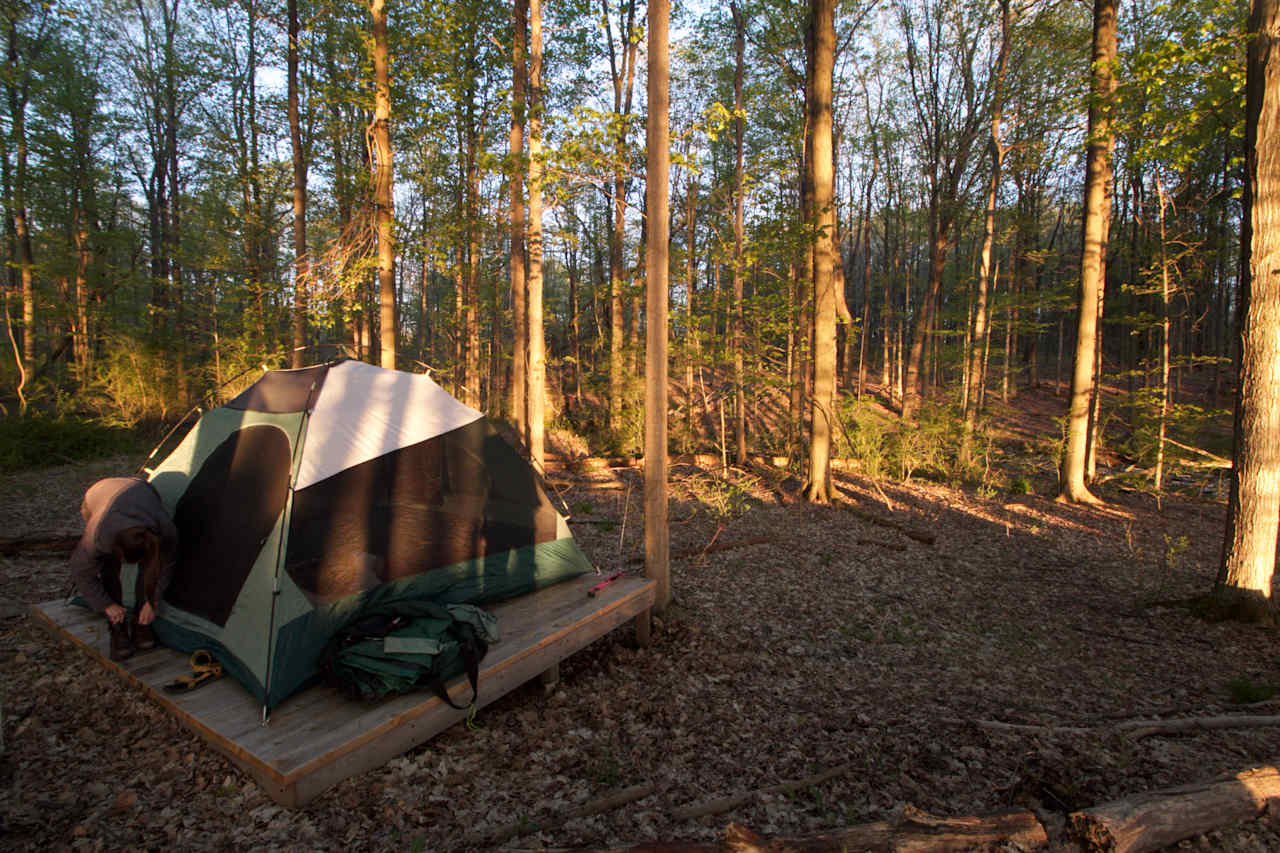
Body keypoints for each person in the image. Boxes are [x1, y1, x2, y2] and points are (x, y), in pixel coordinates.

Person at [69, 477, 178, 661]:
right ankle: (117, 627)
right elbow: (81, 572)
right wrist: (107, 605)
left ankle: (140, 622)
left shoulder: (165, 530)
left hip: (140, 490)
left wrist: (153, 602)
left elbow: (167, 566)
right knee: (109, 567)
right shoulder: (98, 537)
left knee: (152, 565)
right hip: (98, 493)